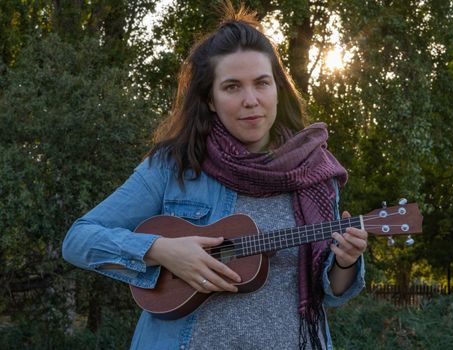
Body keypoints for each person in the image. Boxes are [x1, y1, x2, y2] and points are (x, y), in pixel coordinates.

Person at [62, 3, 367, 349]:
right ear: (209, 98)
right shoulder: (173, 165)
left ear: (277, 90)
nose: (251, 100)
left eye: (261, 83)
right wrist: (160, 250)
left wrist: (346, 261)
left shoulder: (312, 172)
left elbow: (332, 293)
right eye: (233, 87)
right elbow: (79, 240)